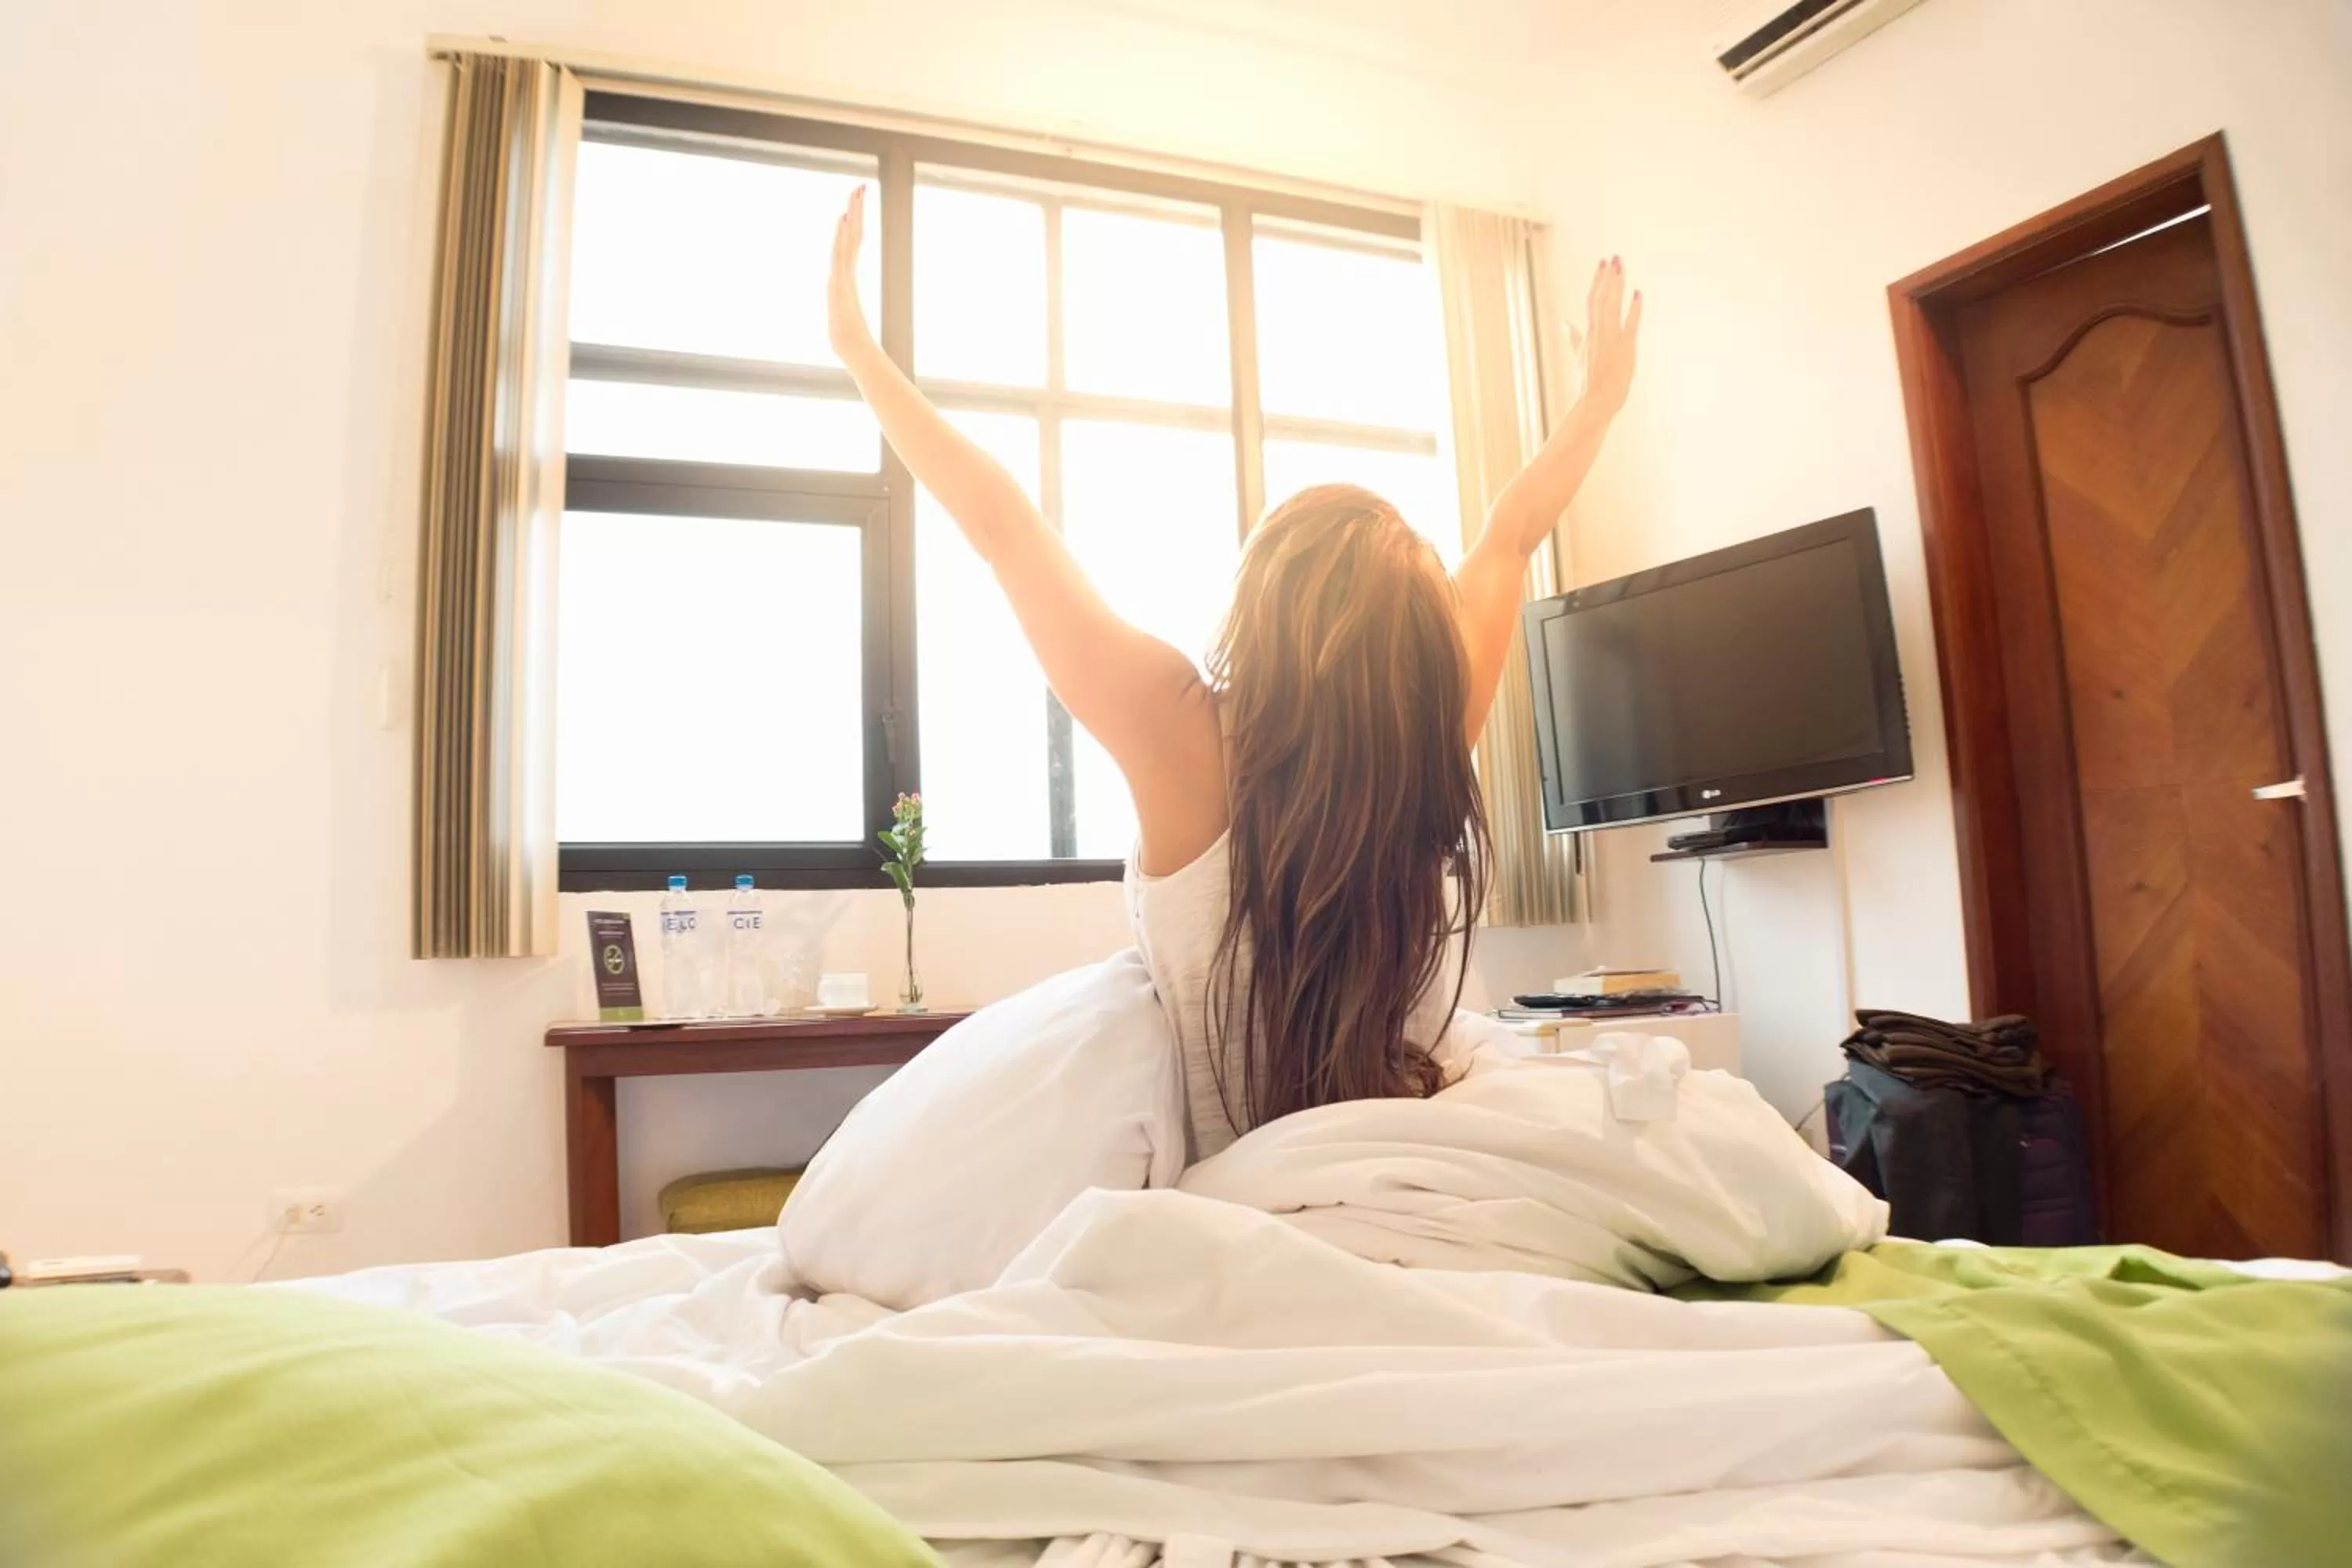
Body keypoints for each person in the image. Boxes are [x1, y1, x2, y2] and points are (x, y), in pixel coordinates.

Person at [826, 187, 1640, 1161]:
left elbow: (1001, 525)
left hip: (1245, 1187)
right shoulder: (1430, 734)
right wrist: (1597, 402)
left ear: (1260, 608)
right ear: (1417, 647)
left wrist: (859, 354)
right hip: (1419, 1155)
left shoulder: (1179, 732)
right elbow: (1511, 534)